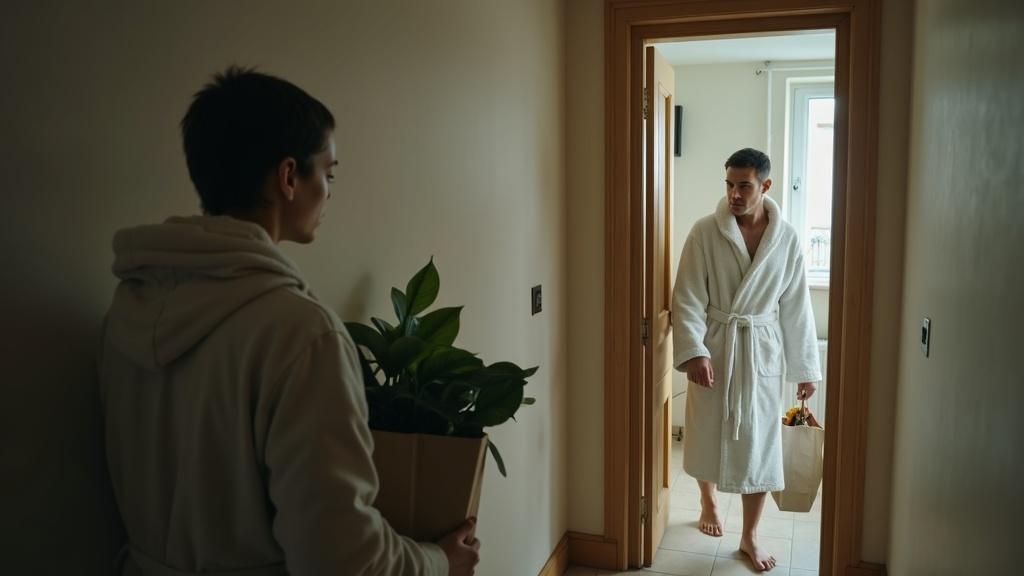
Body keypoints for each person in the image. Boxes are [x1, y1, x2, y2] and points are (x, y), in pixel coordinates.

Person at [98, 67, 480, 576]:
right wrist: (439, 562)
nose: (329, 191)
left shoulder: (127, 310)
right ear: (288, 177)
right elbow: (343, 560)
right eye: (328, 173)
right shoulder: (302, 333)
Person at [672, 148, 821, 572]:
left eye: (744, 186)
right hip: (716, 347)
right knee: (705, 430)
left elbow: (796, 307)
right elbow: (687, 296)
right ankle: (707, 500)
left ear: (765, 186)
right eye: (729, 185)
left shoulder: (785, 239)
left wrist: (805, 370)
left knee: (761, 445)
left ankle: (750, 536)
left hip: (760, 350)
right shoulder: (705, 232)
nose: (734, 194)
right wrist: (695, 351)